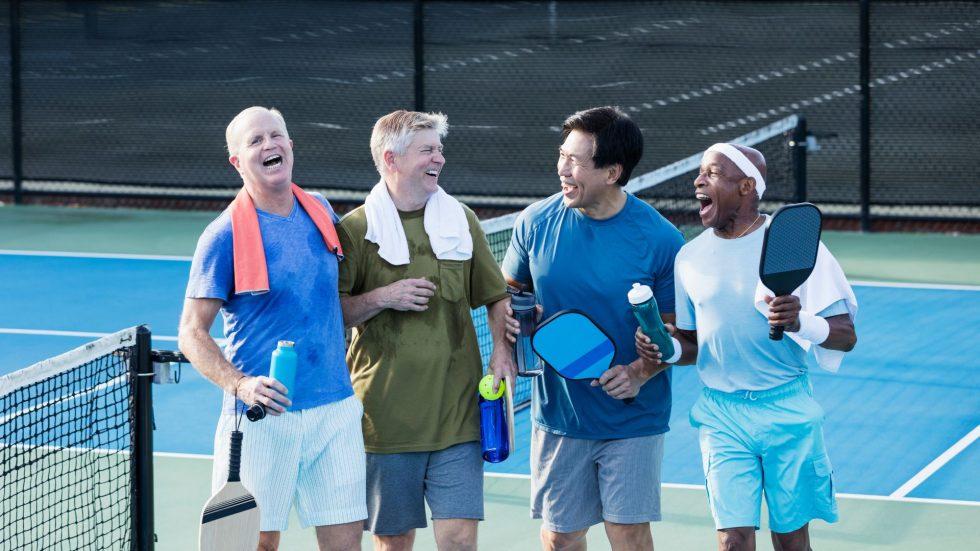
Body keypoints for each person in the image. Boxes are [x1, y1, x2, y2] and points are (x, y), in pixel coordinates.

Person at [638, 143, 857, 551]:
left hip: (787, 408)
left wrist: (801, 321)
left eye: (712, 173)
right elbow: (691, 345)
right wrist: (665, 348)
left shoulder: (794, 244)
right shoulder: (689, 258)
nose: (698, 181)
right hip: (722, 415)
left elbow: (845, 335)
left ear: (746, 187)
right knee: (732, 541)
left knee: (791, 541)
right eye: (700, 172)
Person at [178, 106, 365, 550]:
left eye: (276, 136)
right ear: (237, 162)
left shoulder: (320, 210)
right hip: (262, 419)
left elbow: (335, 307)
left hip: (335, 410)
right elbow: (191, 332)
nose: (270, 145)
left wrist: (386, 297)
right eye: (255, 141)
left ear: (291, 145)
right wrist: (240, 385)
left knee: (346, 543)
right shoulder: (221, 235)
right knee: (252, 544)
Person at [500, 106, 685, 551]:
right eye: (562, 154)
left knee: (628, 535)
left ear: (612, 172)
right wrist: (516, 318)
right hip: (560, 414)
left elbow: (674, 334)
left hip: (634, 417)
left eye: (577, 161)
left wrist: (641, 371)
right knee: (561, 538)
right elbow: (509, 294)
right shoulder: (534, 223)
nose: (562, 168)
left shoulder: (660, 239)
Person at [337, 110, 515, 551]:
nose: (440, 157)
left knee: (458, 539)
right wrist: (384, 296)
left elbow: (496, 297)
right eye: (428, 150)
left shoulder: (462, 220)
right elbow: (332, 314)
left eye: (439, 148)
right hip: (384, 422)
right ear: (391, 159)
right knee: (393, 543)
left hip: (458, 418)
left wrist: (502, 354)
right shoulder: (355, 230)